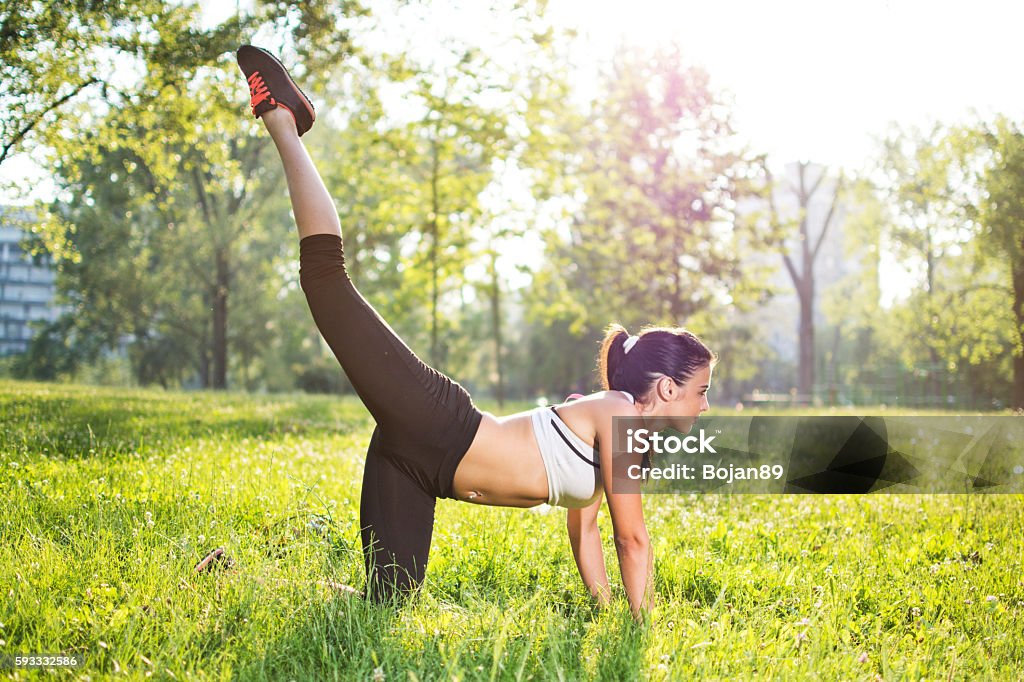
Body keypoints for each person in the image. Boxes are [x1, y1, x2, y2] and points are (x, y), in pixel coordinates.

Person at [234, 45, 716, 617]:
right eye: (701, 390)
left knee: (384, 605)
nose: (705, 405)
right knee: (326, 280)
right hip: (438, 423)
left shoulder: (613, 432)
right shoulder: (616, 415)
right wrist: (642, 630)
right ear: (666, 387)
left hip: (419, 467)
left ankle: (234, 577)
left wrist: (606, 608)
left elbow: (587, 534)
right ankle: (285, 119)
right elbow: (631, 538)